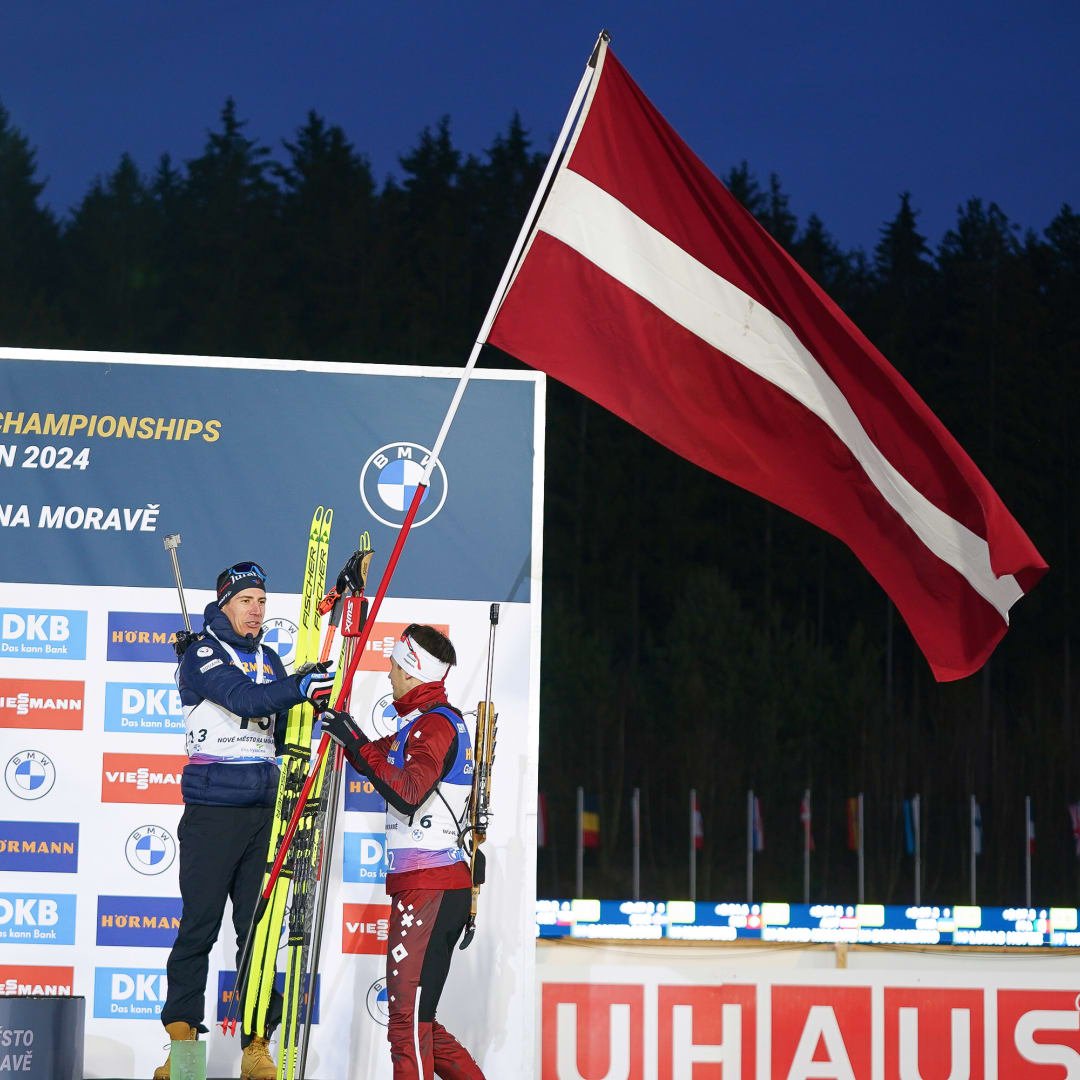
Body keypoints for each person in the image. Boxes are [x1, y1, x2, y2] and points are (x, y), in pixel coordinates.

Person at [154, 561, 334, 1080]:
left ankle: (257, 1045)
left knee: (259, 932)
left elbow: (277, 733)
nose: (256, 611)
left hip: (265, 814)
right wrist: (298, 686)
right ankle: (184, 1053)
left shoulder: (271, 658)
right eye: (246, 600)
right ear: (225, 604)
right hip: (213, 814)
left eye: (262, 601)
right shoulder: (203, 653)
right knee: (199, 929)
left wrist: (312, 706)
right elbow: (243, 698)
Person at [321, 624, 485, 1080]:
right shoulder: (422, 723)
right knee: (422, 1025)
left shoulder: (433, 724)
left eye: (394, 665)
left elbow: (408, 792)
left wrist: (355, 743)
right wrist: (347, 732)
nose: (388, 672)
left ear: (412, 669)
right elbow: (380, 759)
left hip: (429, 889)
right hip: (429, 886)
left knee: (406, 1025)